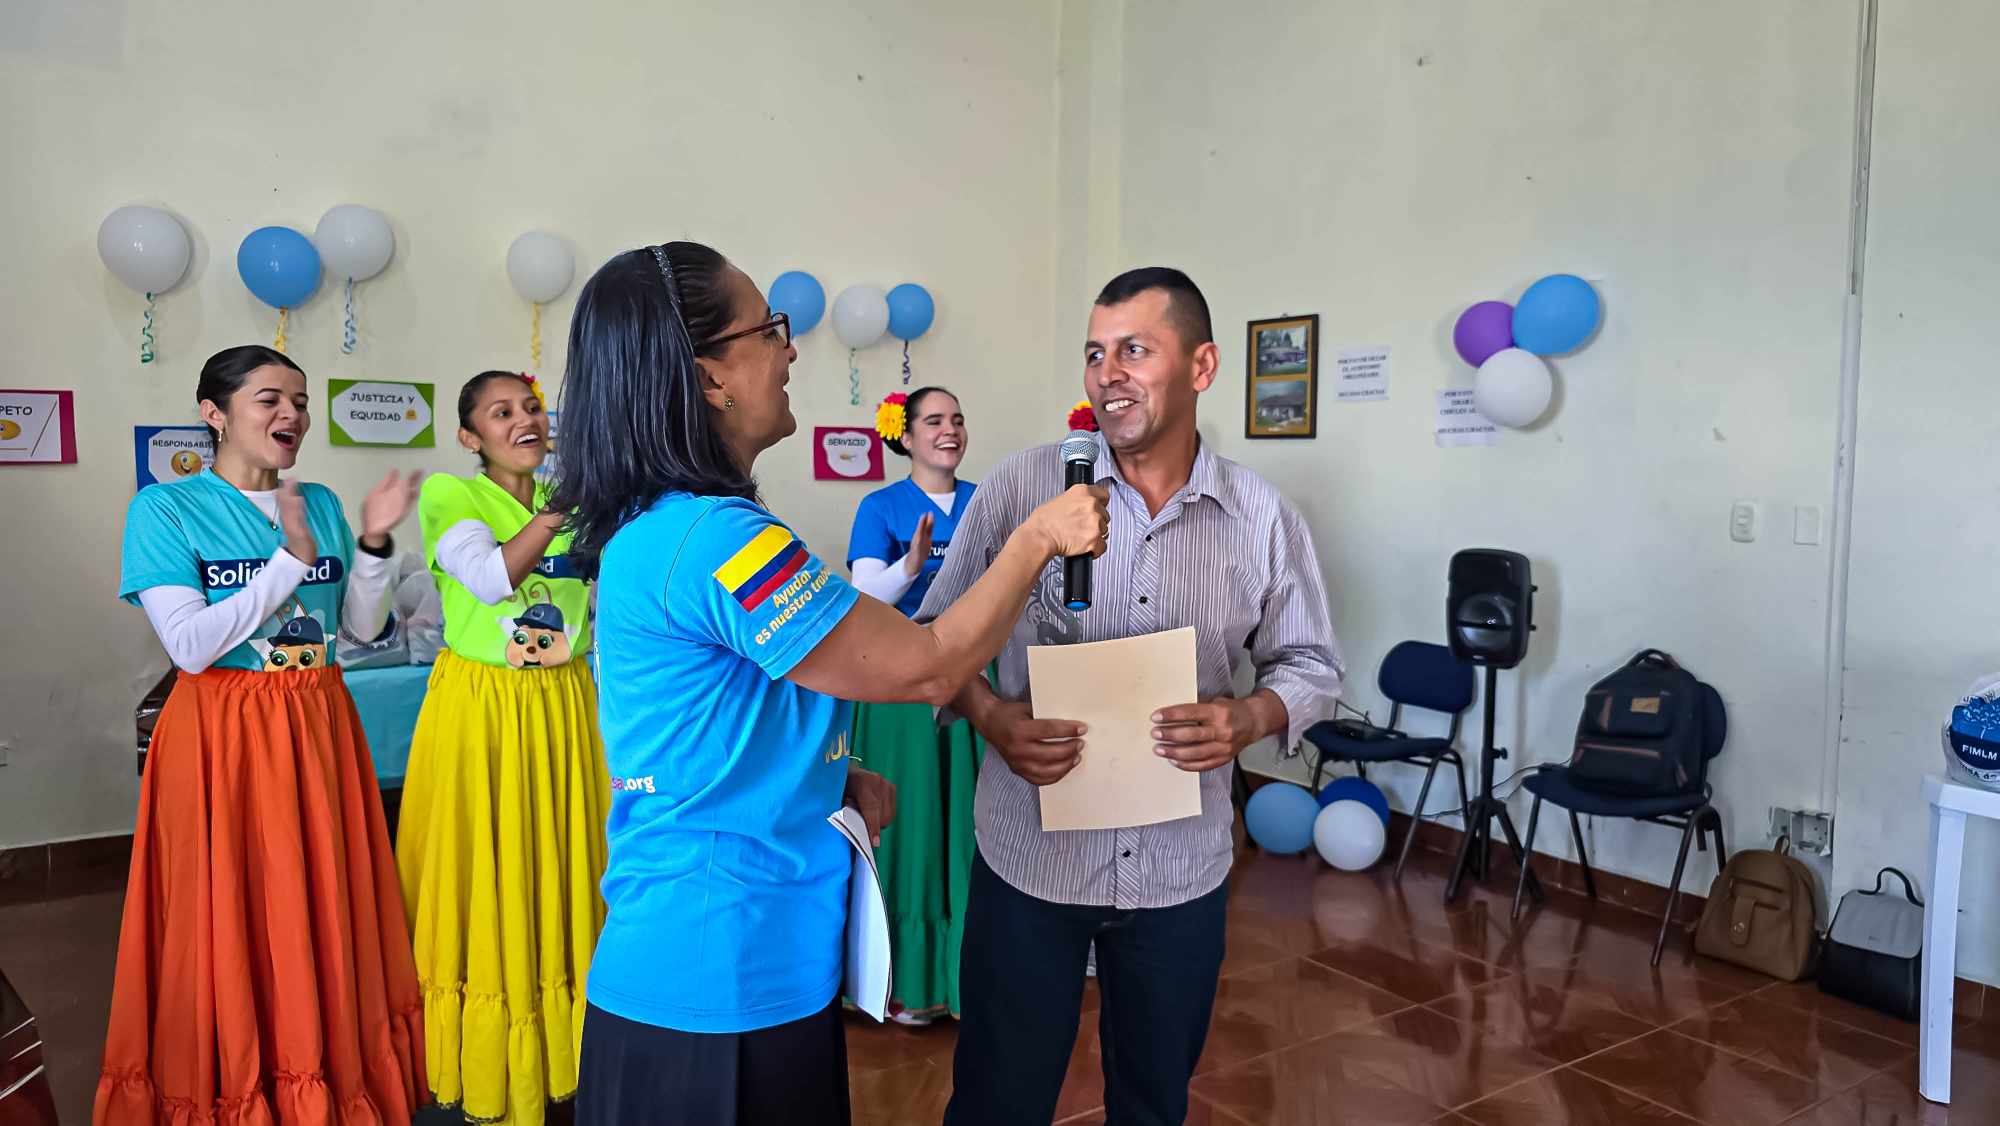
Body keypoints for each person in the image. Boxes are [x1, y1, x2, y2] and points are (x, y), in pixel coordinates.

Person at [549, 241, 1108, 1126]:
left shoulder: (667, 527)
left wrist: (822, 779)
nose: (792, 348)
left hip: (724, 961)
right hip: (719, 980)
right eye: (769, 328)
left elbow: (704, 723)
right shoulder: (718, 540)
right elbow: (927, 666)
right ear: (709, 379)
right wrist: (1038, 539)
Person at [923, 268, 1345, 1126]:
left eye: (1135, 350)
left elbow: (1312, 667)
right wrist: (994, 717)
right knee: (998, 1100)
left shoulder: (1262, 518)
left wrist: (1248, 718)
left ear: (1201, 366)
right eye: (1094, 353)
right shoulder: (1022, 489)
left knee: (1154, 1103)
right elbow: (937, 644)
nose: (1108, 372)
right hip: (1030, 860)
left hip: (1177, 870)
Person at [100, 345, 429, 1125]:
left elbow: (357, 630)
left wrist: (374, 547)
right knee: (230, 911)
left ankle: (326, 1069)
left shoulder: (316, 503)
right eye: (269, 400)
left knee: (318, 904)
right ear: (214, 415)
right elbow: (190, 646)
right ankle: (239, 1087)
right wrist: (285, 563)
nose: (292, 415)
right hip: (224, 736)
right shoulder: (165, 510)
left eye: (302, 401)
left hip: (318, 724)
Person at [395, 370, 610, 1125]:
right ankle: (488, 1057)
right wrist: (559, 511)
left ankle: (573, 1050)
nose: (524, 420)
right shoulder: (452, 497)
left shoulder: (583, 509)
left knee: (565, 865)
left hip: (564, 707)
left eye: (531, 409)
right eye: (502, 412)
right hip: (485, 712)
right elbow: (489, 579)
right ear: (470, 436)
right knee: (490, 870)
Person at [847, 387, 980, 1024]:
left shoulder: (987, 502)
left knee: (970, 829)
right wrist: (911, 566)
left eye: (957, 419)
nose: (949, 430)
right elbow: (863, 592)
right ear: (904, 433)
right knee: (913, 829)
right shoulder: (880, 507)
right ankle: (905, 981)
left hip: (973, 685)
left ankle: (967, 976)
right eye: (934, 420)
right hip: (903, 690)